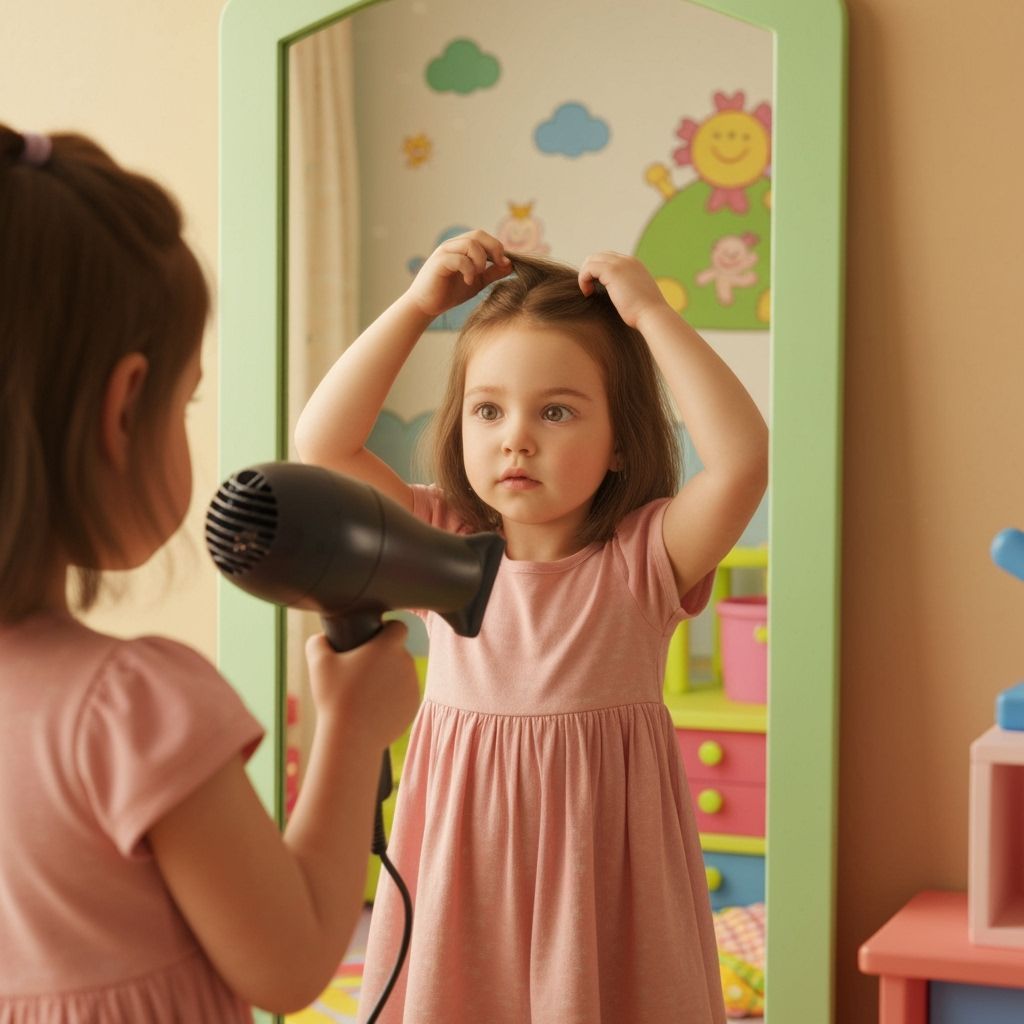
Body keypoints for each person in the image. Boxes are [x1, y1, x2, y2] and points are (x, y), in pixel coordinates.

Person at [0, 125, 421, 1022]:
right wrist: (351, 730)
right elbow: (293, 961)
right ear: (124, 407)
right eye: (186, 399)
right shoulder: (128, 706)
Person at [295, 229, 768, 1023]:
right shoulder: (439, 547)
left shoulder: (645, 559)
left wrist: (650, 314)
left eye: (556, 411)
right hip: (461, 863)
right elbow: (323, 442)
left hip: (601, 874)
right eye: (489, 409)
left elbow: (741, 460)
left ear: (620, 443)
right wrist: (418, 307)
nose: (516, 436)